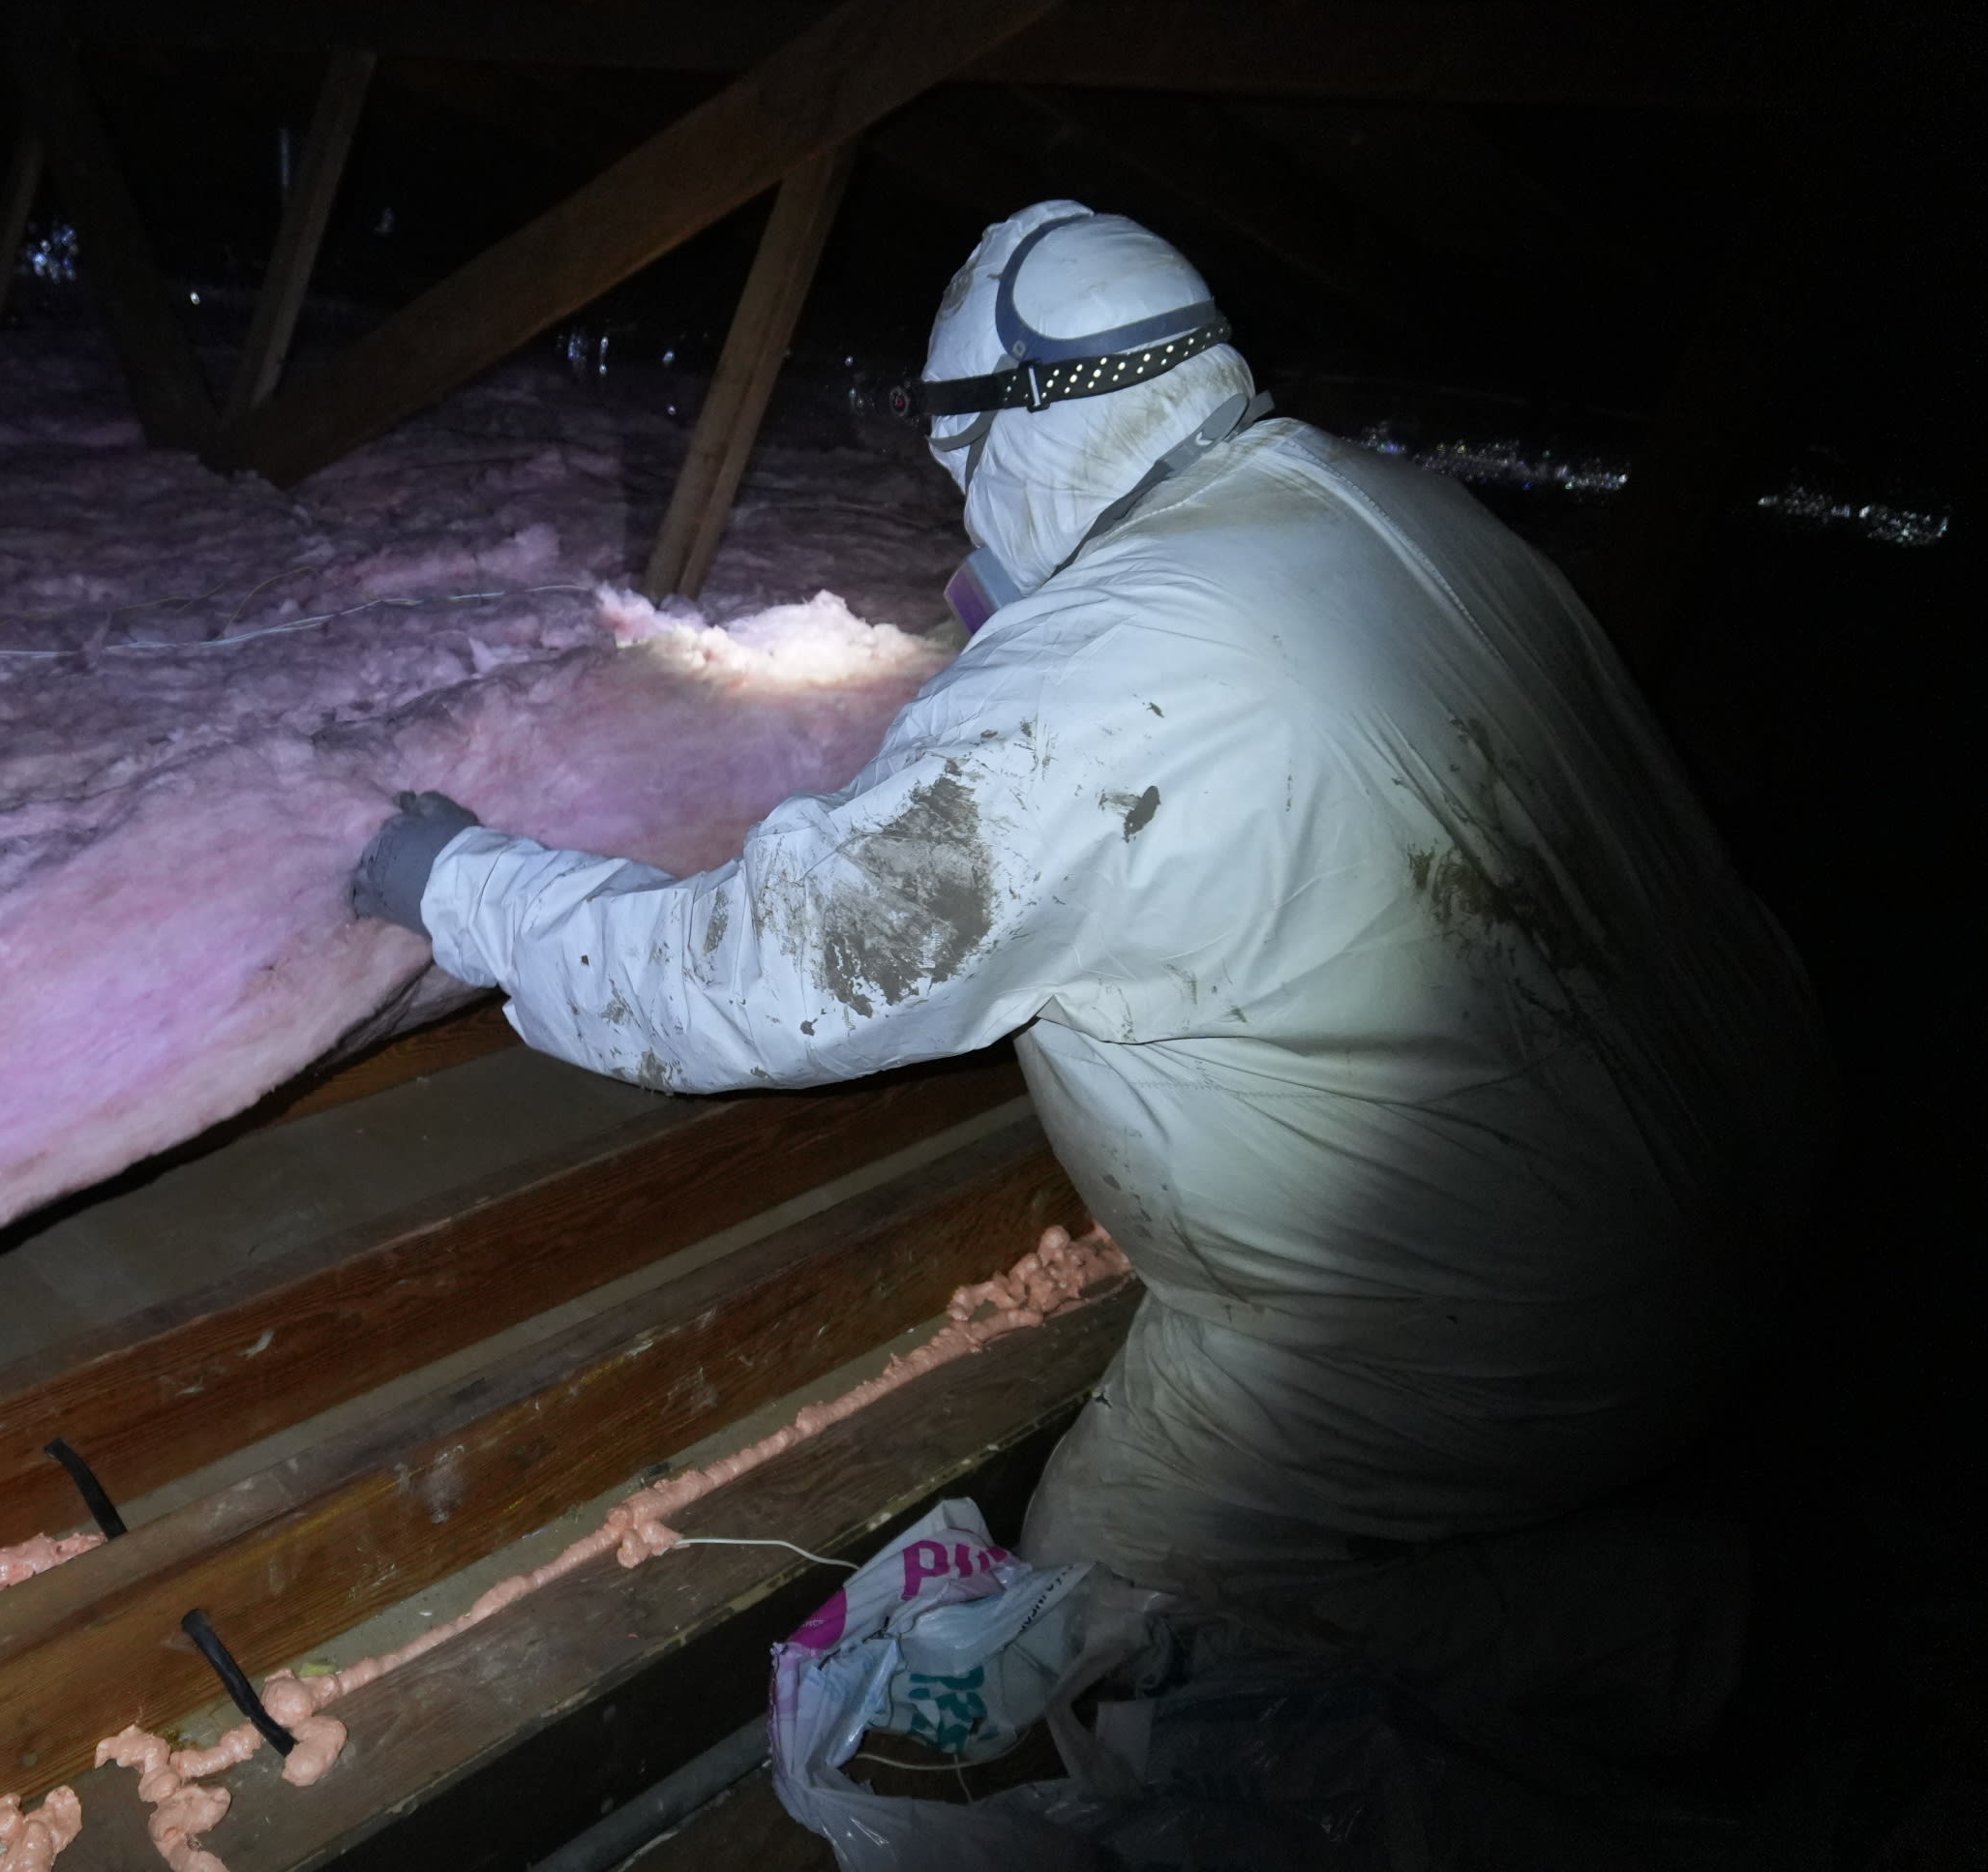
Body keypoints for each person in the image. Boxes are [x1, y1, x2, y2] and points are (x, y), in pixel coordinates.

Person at [348, 200, 1822, 1752]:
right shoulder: (1381, 502)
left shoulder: (1116, 675)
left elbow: (761, 976)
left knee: (1110, 1628)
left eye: (957, 458)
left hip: (1512, 1314)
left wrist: (458, 883)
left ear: (1023, 431)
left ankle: (1674, 1636)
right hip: (1749, 1152)